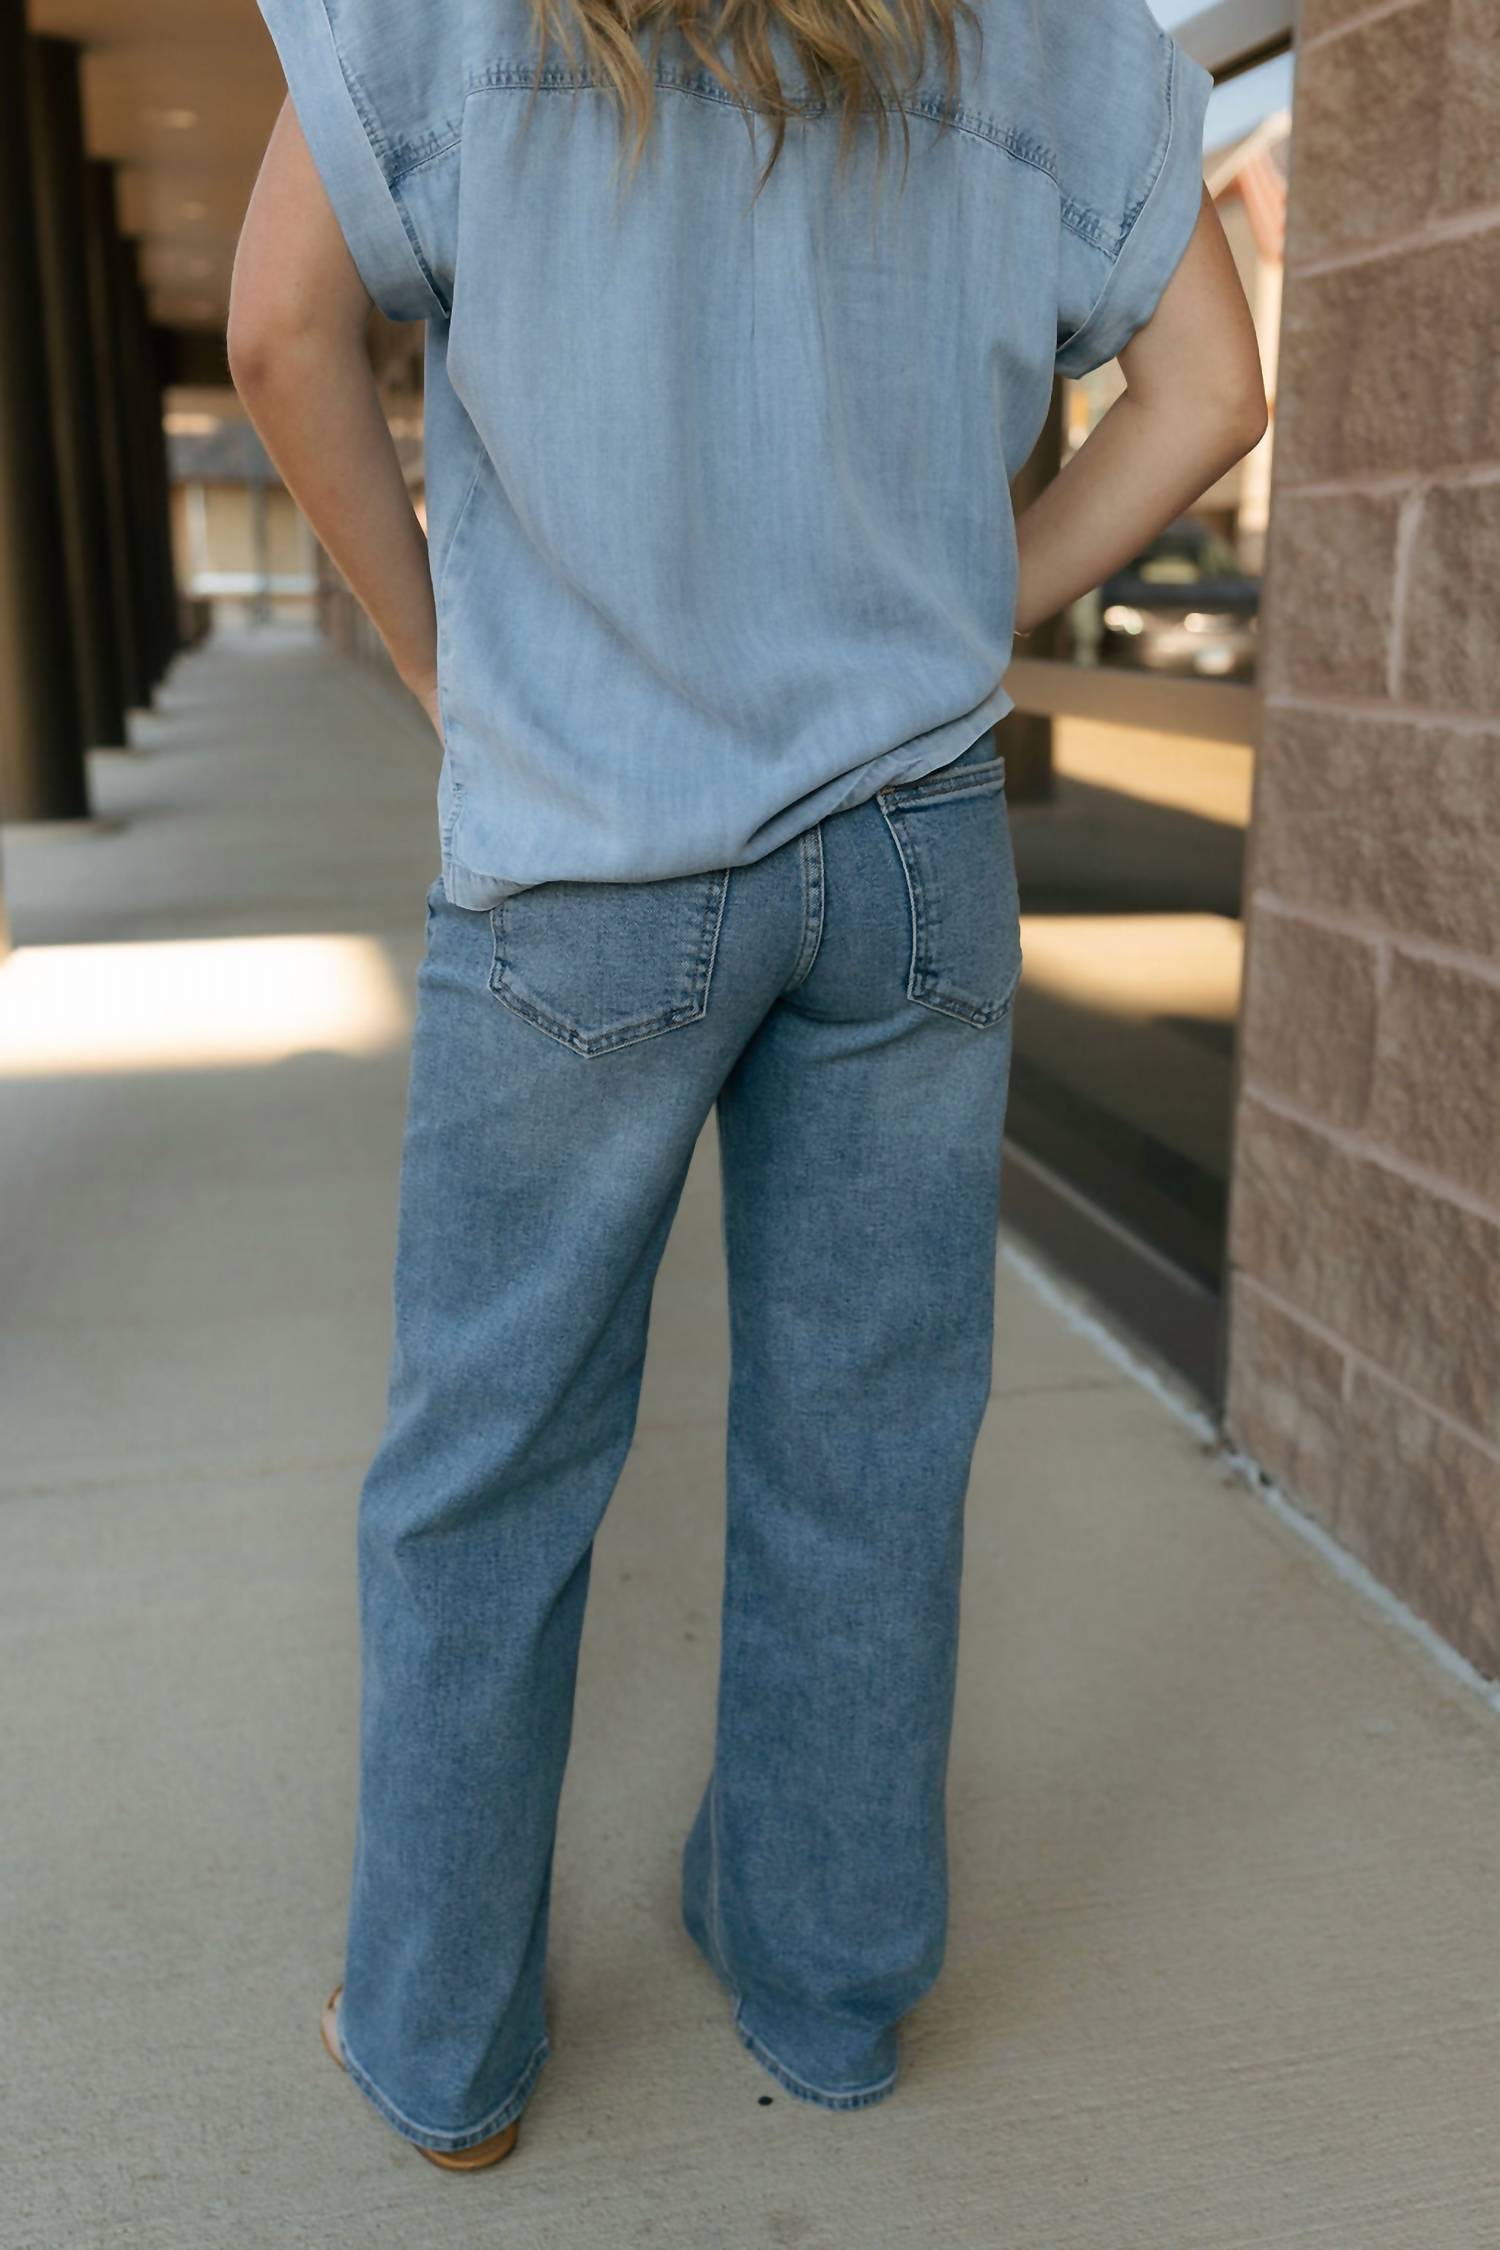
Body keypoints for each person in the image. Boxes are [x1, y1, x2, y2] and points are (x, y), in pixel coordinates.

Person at [229, 0, 1266, 2172]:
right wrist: (978, 612)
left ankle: (441, 2041)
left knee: (488, 1462)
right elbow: (1212, 394)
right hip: (914, 852)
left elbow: (278, 330)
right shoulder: (1043, 30)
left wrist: (441, 666)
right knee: (870, 1440)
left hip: (585, 846)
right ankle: (826, 1982)